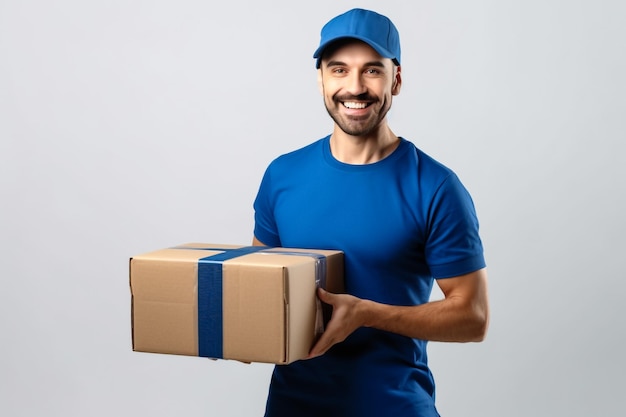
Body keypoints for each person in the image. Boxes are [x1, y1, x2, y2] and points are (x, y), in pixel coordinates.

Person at [252, 8, 489, 417]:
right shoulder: (282, 175)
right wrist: (237, 332)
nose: (355, 87)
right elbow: (259, 288)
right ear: (322, 79)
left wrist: (366, 314)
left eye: (372, 71)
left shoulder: (434, 186)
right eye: (339, 70)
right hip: (292, 406)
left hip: (393, 405)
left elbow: (473, 316)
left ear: (396, 80)